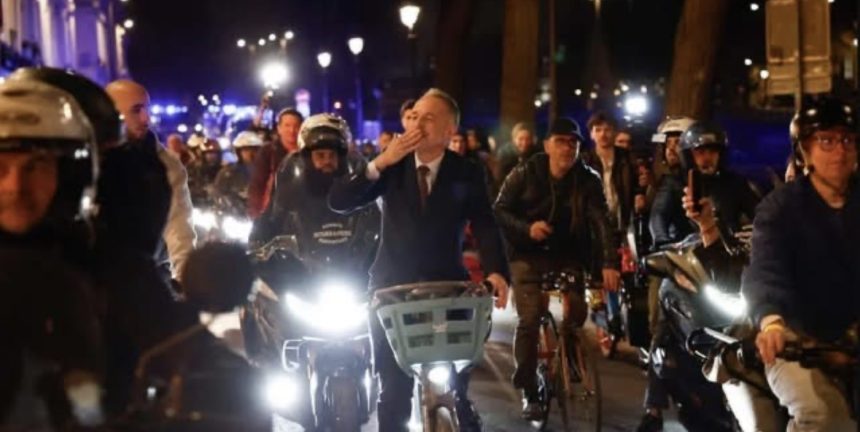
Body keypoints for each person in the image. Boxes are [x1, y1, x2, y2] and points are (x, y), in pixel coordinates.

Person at [329, 88, 510, 432]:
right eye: (414, 116)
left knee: (456, 386)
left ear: (449, 131)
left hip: (447, 289)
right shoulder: (392, 166)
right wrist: (381, 162)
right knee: (393, 393)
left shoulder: (467, 171)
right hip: (391, 289)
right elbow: (340, 201)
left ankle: (460, 413)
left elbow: (485, 223)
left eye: (428, 118)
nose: (417, 124)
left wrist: (497, 272)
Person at [743, 96, 859, 431]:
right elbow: (766, 269)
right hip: (797, 341)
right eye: (826, 141)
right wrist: (772, 323)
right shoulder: (781, 208)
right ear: (804, 150)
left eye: (847, 140)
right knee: (824, 416)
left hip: (852, 338)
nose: (839, 151)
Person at [493, 117, 620, 419]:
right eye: (561, 141)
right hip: (526, 254)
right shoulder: (526, 172)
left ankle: (570, 355)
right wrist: (527, 229)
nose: (567, 148)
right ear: (547, 145)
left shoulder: (587, 179)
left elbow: (601, 221)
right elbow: (499, 210)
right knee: (529, 319)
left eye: (573, 143)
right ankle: (529, 388)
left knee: (576, 312)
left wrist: (608, 263)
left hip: (568, 253)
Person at [0, 79, 104, 429]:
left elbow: (166, 334)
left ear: (69, 176)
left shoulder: (107, 262)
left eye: (36, 166)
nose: (15, 187)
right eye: (0, 169)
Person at [106, 79, 196, 283]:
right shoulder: (88, 157)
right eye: (136, 110)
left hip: (146, 275)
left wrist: (185, 280)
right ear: (111, 113)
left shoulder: (166, 164)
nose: (146, 118)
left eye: (147, 109)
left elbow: (179, 226)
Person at [248, 108, 303, 218]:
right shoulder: (268, 152)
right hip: (272, 214)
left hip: (302, 212)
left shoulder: (308, 152)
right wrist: (256, 215)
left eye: (296, 126)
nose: (292, 130)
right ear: (279, 129)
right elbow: (257, 185)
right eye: (287, 125)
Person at [212, 131, 263, 216]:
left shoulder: (267, 171)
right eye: (246, 150)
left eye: (254, 150)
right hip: (234, 214)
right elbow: (218, 192)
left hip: (260, 215)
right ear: (238, 152)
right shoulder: (228, 173)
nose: (251, 154)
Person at [187, 138, 223, 207]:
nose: (212, 156)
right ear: (203, 155)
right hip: (198, 204)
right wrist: (203, 190)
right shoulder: (193, 169)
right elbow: (186, 186)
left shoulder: (225, 170)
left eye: (214, 153)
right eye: (208, 153)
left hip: (220, 205)